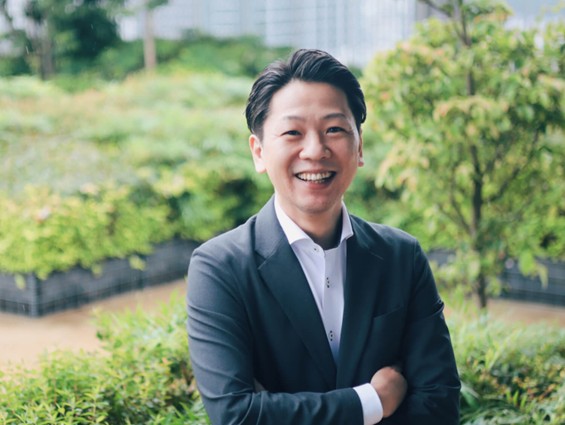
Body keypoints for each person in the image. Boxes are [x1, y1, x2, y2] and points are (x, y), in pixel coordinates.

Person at [186, 48, 460, 424]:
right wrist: (373, 401)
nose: (315, 150)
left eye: (334, 129)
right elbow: (237, 415)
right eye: (292, 132)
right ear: (259, 152)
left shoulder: (402, 257)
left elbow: (439, 405)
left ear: (359, 146)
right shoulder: (220, 268)